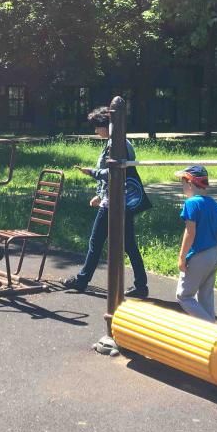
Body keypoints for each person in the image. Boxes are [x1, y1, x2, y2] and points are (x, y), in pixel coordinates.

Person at [62, 106, 149, 297]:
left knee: (96, 241)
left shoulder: (116, 145)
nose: (95, 131)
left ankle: (82, 280)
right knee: (128, 244)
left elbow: (115, 172)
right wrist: (101, 195)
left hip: (114, 202)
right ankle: (141, 285)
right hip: (118, 200)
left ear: (106, 126)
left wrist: (91, 173)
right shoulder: (120, 142)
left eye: (96, 127)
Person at [174, 164, 217, 322]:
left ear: (189, 183)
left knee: (184, 296)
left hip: (198, 255)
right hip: (213, 253)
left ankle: (210, 326)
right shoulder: (215, 205)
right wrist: (216, 255)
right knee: (205, 296)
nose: (182, 188)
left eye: (182, 184)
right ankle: (211, 337)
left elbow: (190, 232)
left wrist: (182, 257)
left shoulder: (191, 203)